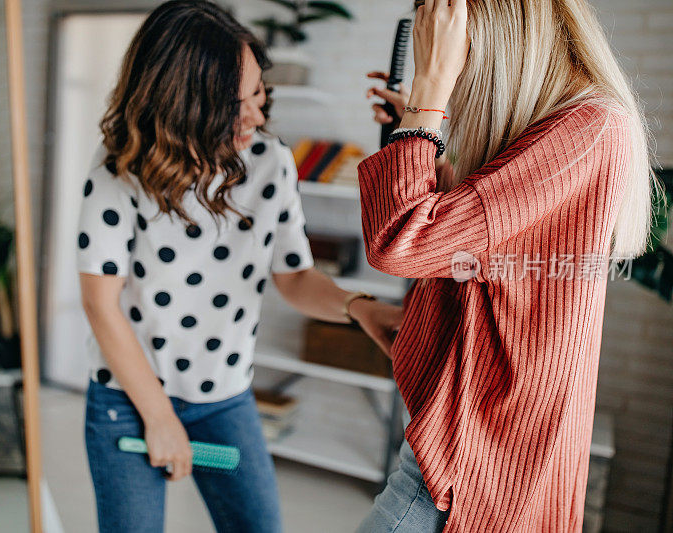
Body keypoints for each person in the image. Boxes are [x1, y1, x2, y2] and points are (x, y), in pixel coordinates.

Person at [76, 2, 403, 532]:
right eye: (235, 104)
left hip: (223, 396)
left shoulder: (270, 161)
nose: (255, 116)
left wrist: (358, 309)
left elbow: (294, 276)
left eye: (258, 95)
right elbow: (99, 303)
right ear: (180, 105)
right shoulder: (118, 168)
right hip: (126, 399)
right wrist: (158, 418)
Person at [359, 0, 657, 531]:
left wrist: (428, 97)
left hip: (471, 460)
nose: (457, 72)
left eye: (453, 53)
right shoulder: (572, 127)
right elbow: (477, 233)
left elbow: (403, 239)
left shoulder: (589, 127)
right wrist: (416, 126)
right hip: (467, 443)